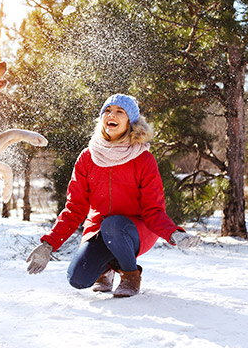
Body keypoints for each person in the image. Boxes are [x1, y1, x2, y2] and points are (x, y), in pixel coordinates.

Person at [26, 93, 201, 297]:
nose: (112, 115)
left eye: (120, 112)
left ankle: (130, 274)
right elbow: (75, 208)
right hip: (100, 229)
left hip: (136, 229)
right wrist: (49, 244)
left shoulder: (143, 158)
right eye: (108, 111)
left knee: (114, 225)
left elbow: (153, 209)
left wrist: (173, 233)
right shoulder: (88, 157)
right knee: (77, 278)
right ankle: (107, 268)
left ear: (130, 121)